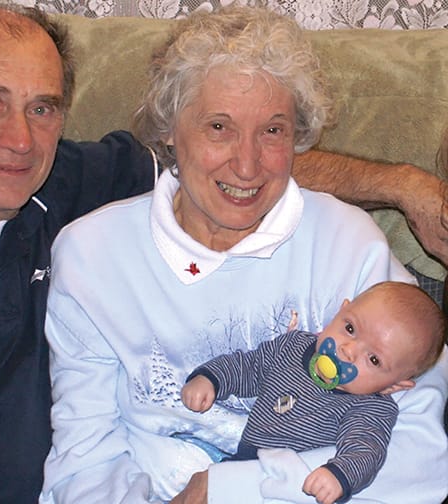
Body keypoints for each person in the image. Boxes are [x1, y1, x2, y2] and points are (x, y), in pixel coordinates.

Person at [0, 2, 447, 503]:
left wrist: (402, 185)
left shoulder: (63, 186)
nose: (19, 139)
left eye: (43, 108)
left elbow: (238, 175)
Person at [39, 6, 448, 504]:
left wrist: (230, 489)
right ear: (168, 128)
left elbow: (421, 461)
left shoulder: (350, 245)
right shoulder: (91, 256)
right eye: (219, 127)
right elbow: (85, 458)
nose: (248, 165)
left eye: (273, 131)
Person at [182, 281, 446, 504]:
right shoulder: (292, 347)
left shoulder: (369, 406)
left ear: (394, 386)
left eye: (373, 359)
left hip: (296, 484)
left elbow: (366, 448)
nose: (348, 350)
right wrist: (211, 379)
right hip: (244, 462)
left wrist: (339, 474)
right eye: (350, 329)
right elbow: (249, 366)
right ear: (342, 310)